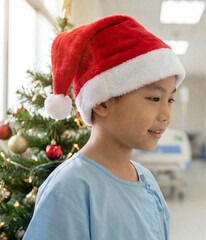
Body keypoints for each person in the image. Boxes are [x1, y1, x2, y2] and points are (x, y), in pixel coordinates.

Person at [23, 14, 185, 240]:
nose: (166, 115)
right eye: (154, 99)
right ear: (101, 102)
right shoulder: (70, 188)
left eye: (170, 100)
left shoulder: (146, 180)